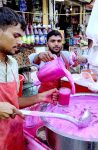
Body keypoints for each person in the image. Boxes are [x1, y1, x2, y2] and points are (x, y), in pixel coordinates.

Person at [0, 7, 58, 150]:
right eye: (15, 35)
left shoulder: (13, 63)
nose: (20, 42)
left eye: (21, 36)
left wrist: (39, 97)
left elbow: (14, 102)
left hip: (14, 134)